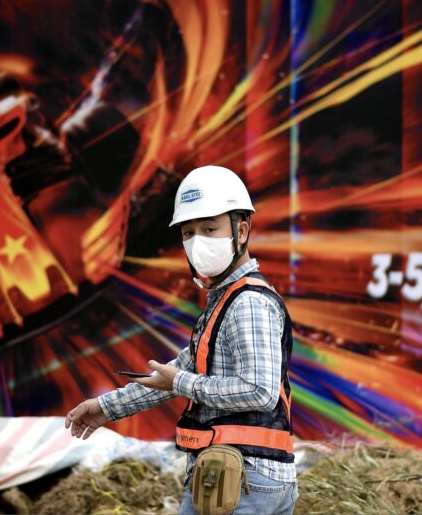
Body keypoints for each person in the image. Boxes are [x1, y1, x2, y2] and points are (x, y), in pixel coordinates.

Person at [65, 165, 297, 515]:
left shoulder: (247, 303)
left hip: (241, 480)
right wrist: (107, 407)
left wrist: (183, 383)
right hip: (241, 477)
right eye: (188, 232)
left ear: (242, 230)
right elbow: (174, 375)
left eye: (209, 228)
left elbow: (259, 392)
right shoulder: (226, 300)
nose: (197, 241)